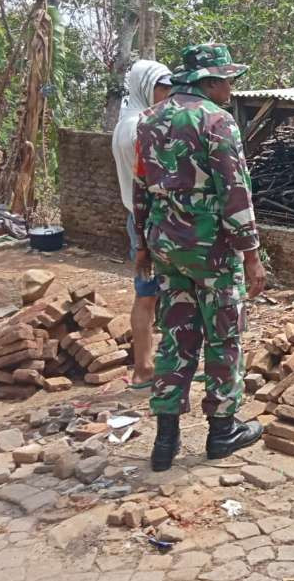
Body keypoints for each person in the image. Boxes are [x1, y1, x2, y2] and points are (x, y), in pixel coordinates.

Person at [134, 43, 266, 472]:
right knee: (224, 337)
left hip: (166, 248)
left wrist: (141, 245)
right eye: (227, 78)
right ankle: (221, 432)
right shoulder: (217, 120)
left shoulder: (148, 120)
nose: (231, 86)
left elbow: (141, 187)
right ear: (208, 81)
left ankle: (165, 440)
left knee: (176, 335)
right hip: (214, 249)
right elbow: (235, 190)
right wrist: (251, 253)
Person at [111, 59, 172, 388]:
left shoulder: (127, 122)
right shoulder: (138, 126)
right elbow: (149, 182)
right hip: (150, 219)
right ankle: (146, 368)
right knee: (150, 295)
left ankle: (147, 366)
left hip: (140, 217)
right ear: (145, 87)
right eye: (162, 86)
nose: (168, 92)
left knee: (149, 294)